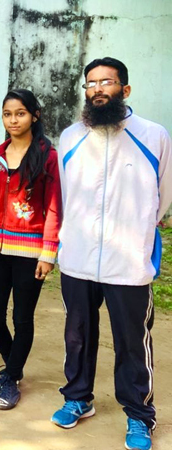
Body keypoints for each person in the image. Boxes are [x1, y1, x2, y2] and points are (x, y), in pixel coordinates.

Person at [50, 57, 171, 450]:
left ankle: (139, 415)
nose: (98, 89)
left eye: (107, 82)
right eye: (91, 83)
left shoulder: (154, 135)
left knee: (132, 342)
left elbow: (162, 200)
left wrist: (140, 236)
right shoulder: (70, 137)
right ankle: (78, 398)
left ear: (125, 89)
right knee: (77, 336)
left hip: (128, 262)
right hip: (79, 259)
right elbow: (66, 198)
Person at [0, 89, 61, 410]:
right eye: (8, 114)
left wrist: (48, 253)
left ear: (34, 116)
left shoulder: (47, 156)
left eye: (20, 113)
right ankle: (14, 366)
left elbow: (54, 207)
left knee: (22, 318)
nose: (13, 120)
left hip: (30, 252)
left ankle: (10, 378)